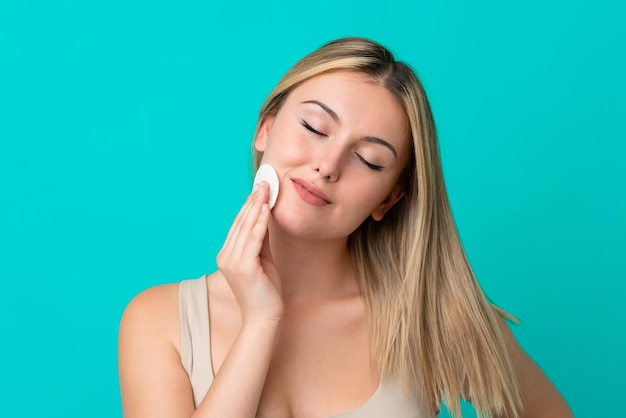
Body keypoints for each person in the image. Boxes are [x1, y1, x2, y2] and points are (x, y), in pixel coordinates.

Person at [118, 37, 573, 418]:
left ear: (388, 199)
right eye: (315, 128)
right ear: (265, 129)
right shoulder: (159, 322)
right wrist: (260, 321)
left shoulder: (432, 316)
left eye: (369, 160)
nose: (328, 165)